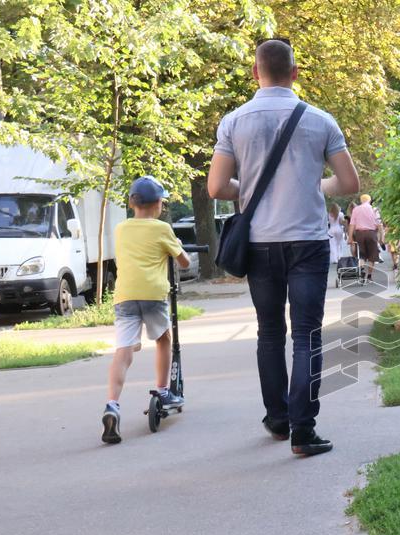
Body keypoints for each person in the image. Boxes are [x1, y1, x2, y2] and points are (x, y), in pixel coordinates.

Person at [207, 39, 360, 457]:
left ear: (256, 73)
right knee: (307, 334)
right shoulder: (320, 121)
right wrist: (317, 186)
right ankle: (303, 431)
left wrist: (248, 189)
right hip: (308, 243)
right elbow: (349, 185)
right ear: (294, 73)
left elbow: (218, 187)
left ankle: (277, 420)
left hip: (259, 244)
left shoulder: (234, 122)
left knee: (270, 333)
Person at [101, 176, 191, 444]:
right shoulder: (162, 229)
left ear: (132, 203)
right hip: (152, 294)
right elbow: (184, 263)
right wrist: (176, 250)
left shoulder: (121, 229)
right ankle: (163, 391)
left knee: (124, 351)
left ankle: (112, 405)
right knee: (164, 339)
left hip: (125, 296)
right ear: (159, 204)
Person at [348, 194, 380, 284]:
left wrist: (350, 238)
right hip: (371, 233)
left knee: (361, 255)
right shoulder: (374, 209)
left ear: (361, 201)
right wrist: (382, 237)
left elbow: (352, 224)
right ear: (370, 201)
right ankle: (369, 276)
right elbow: (379, 224)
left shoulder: (356, 209)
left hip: (360, 234)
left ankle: (362, 273)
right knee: (372, 256)